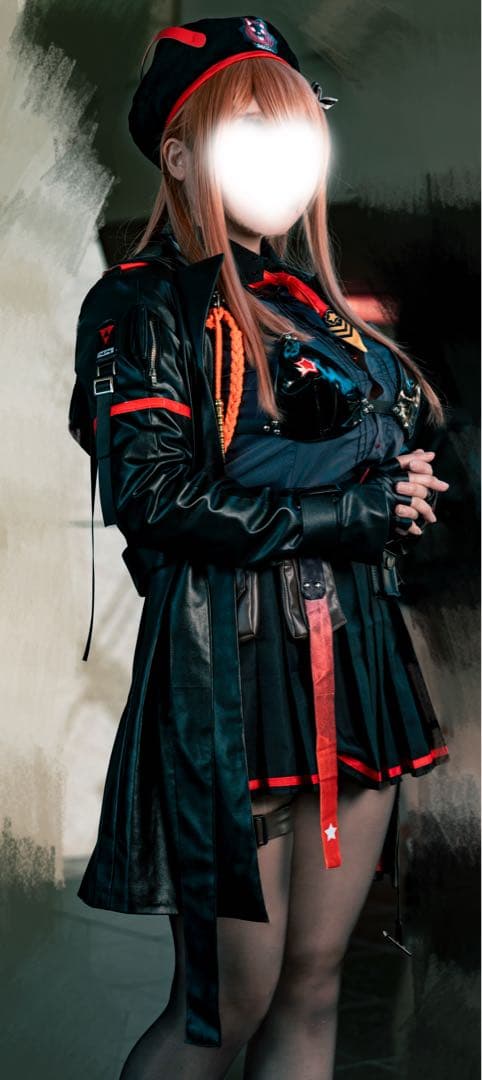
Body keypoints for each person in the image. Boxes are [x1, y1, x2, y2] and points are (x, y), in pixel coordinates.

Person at [68, 15, 451, 1079]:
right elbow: (153, 498)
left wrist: (399, 493)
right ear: (180, 155)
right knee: (224, 1008)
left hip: (358, 659)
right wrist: (350, 510)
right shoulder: (140, 303)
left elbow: (373, 462)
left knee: (314, 986)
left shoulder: (321, 312)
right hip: (228, 676)